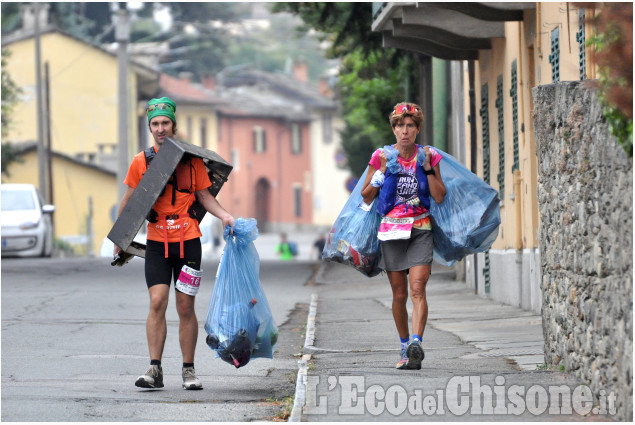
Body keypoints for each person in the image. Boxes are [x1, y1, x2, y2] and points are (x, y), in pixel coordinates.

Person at [114, 96, 235, 390]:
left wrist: (226, 217)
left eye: (165, 123)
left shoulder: (192, 161)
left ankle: (189, 370)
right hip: (157, 241)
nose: (160, 128)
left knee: (184, 306)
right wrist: (120, 237)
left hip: (188, 241)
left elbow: (206, 197)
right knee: (157, 302)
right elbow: (130, 200)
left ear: (174, 125)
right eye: (155, 124)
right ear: (150, 127)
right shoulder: (141, 161)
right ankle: (154, 370)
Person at [361, 102, 446, 370]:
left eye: (410, 125)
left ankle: (416, 343)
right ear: (394, 129)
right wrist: (383, 171)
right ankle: (403, 346)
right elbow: (365, 195)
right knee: (399, 296)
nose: (404, 131)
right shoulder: (381, 156)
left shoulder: (428, 156)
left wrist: (429, 168)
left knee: (418, 288)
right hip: (392, 230)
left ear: (418, 128)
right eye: (399, 125)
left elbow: (440, 196)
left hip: (421, 228)